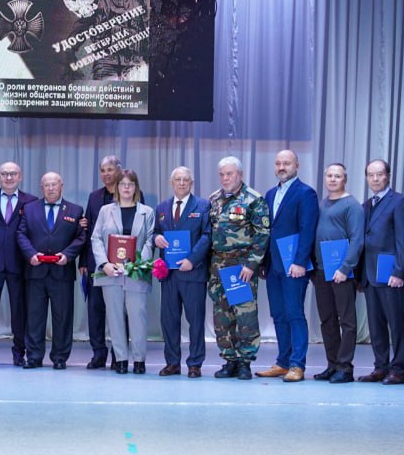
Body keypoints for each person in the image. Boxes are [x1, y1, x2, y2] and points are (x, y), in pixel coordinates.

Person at [255, 150, 318, 383]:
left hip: (294, 266)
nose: (282, 167)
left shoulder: (306, 193)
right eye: (278, 163)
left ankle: (297, 365)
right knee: (278, 315)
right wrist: (263, 262)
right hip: (273, 266)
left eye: (287, 163)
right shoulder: (271, 194)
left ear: (297, 165)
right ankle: (282, 362)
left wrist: (300, 262)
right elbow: (266, 231)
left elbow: (307, 229)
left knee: (294, 314)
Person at [207, 156, 270, 380]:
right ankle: (229, 360)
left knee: (245, 315)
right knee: (222, 316)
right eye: (222, 174)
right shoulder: (214, 199)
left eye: (230, 174)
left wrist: (252, 264)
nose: (225, 178)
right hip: (218, 266)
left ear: (240, 175)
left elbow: (262, 235)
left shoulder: (253, 200)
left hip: (242, 266)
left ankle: (245, 362)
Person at [17, 172, 87, 369]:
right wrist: (30, 254)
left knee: (62, 317)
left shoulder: (75, 210)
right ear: (42, 187)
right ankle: (34, 357)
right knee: (34, 317)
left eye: (54, 184)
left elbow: (81, 238)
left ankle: (60, 357)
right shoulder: (29, 209)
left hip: (62, 273)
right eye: (46, 184)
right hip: (35, 272)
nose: (50, 188)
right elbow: (21, 234)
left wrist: (68, 254)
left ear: (61, 185)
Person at [91, 169, 156, 374]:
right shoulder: (105, 211)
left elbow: (150, 241)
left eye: (131, 184)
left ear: (136, 187)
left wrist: (135, 264)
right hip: (110, 274)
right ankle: (120, 359)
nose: (126, 187)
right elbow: (96, 239)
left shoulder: (147, 212)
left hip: (136, 272)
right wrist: (104, 264)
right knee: (114, 317)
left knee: (138, 317)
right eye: (122, 184)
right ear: (116, 187)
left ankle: (139, 360)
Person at [0, 162, 37, 367]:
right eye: (4, 174)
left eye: (12, 174)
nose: (8, 178)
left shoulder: (31, 202)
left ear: (20, 176)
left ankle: (20, 352)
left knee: (20, 312)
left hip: (19, 264)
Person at [153, 166, 211, 377]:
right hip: (169, 274)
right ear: (172, 183)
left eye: (186, 180)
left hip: (193, 273)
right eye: (177, 179)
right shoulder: (161, 208)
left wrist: (192, 260)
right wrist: (155, 239)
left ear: (191, 183)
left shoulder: (203, 206)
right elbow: (156, 234)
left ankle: (195, 363)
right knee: (169, 320)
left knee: (195, 320)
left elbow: (207, 236)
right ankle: (172, 362)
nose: (181, 183)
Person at [358, 159, 404, 384]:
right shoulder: (366, 205)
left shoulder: (400, 202)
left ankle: (398, 368)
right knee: (375, 324)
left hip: (390, 274)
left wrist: (400, 272)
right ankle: (380, 366)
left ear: (388, 175)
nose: (376, 179)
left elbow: (402, 239)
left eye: (379, 174)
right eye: (371, 175)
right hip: (370, 275)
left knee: (396, 323)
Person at [310, 163, 364, 384]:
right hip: (322, 272)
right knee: (327, 320)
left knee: (347, 321)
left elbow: (357, 240)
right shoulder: (322, 204)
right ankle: (332, 364)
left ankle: (345, 367)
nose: (333, 179)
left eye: (337, 176)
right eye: (330, 175)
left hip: (342, 273)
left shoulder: (352, 206)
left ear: (345, 179)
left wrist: (345, 268)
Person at [80, 155, 123, 369]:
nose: (106, 174)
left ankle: (119, 354)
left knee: (118, 310)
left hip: (120, 263)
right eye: (103, 170)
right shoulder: (94, 197)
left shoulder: (130, 192)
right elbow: (86, 232)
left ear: (119, 170)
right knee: (95, 310)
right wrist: (83, 261)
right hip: (95, 262)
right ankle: (98, 354)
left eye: (110, 169)